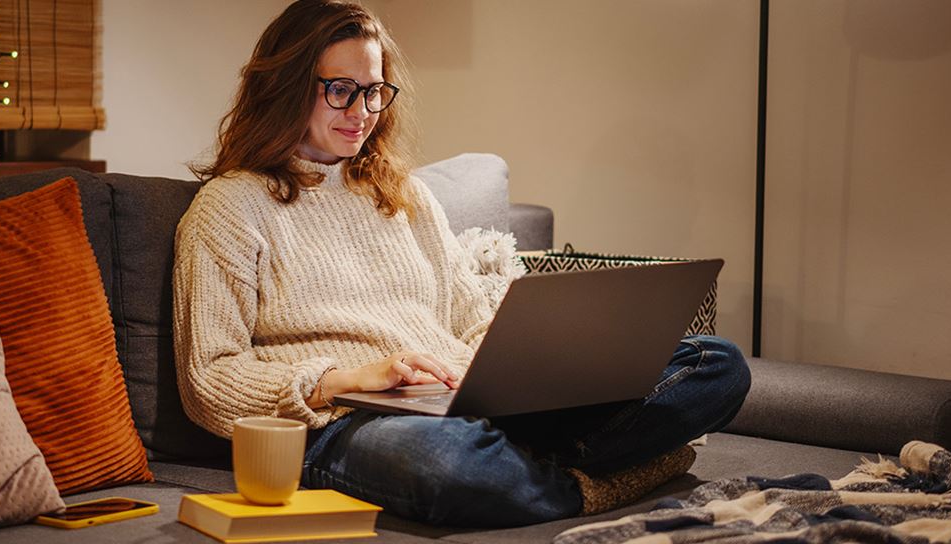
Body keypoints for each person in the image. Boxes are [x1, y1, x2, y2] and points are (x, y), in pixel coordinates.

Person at [174, 0, 750, 528]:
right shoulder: (230, 207)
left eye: (374, 91)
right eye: (341, 90)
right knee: (446, 461)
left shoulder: (404, 194)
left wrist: (521, 371)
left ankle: (531, 461)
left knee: (716, 364)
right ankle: (601, 479)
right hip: (346, 423)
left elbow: (472, 317)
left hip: (471, 401)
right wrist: (346, 380)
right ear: (286, 86)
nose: (363, 111)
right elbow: (210, 379)